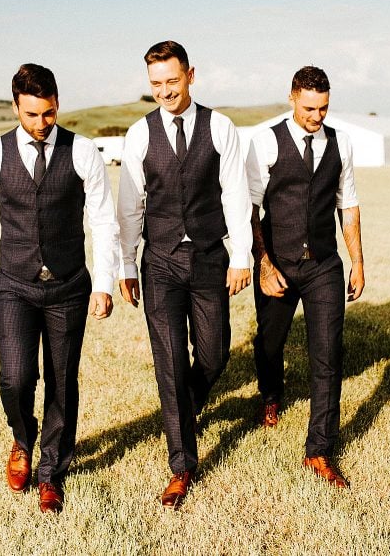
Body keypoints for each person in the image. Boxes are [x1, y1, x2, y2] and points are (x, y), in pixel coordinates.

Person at [0, 63, 119, 513]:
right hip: (14, 286)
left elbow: (103, 222)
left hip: (69, 286)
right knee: (15, 378)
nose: (40, 125)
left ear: (57, 105)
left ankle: (51, 470)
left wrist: (102, 283)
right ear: (16, 107)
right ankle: (22, 440)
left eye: (48, 114)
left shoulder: (83, 150)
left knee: (62, 382)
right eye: (30, 115)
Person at [117, 40, 252, 509]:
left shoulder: (221, 126)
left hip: (211, 257)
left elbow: (235, 193)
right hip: (160, 264)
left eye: (172, 81)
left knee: (215, 354)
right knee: (170, 362)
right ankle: (182, 465)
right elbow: (130, 207)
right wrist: (125, 264)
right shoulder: (138, 135)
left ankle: (185, 406)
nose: (164, 91)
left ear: (191, 75)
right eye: (156, 84)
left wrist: (242, 256)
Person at [246, 65, 365, 489]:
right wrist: (263, 263)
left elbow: (347, 204)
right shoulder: (264, 142)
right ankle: (271, 395)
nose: (317, 116)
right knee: (270, 340)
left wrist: (358, 260)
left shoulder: (341, 143)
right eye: (310, 107)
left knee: (328, 354)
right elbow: (252, 210)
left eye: (324, 108)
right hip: (276, 264)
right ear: (293, 98)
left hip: (323, 266)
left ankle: (319, 450)